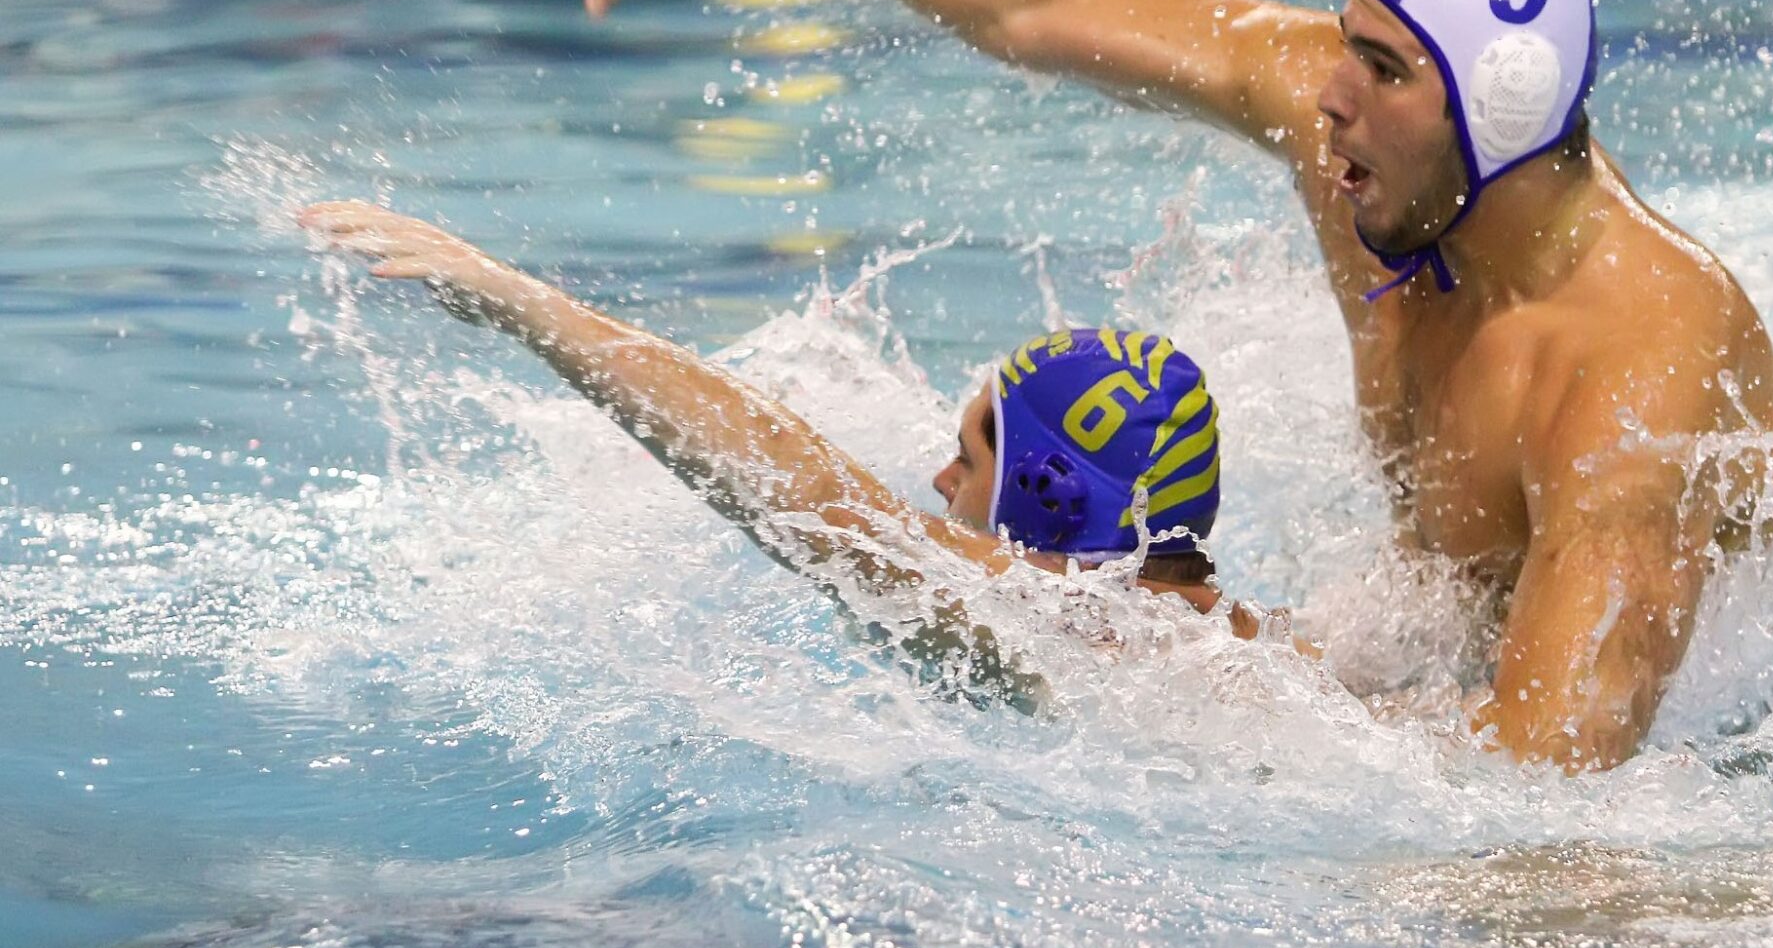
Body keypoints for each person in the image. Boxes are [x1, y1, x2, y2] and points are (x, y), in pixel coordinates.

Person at [461, 0, 1773, 772]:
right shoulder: (1380, 154)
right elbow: (1040, 3)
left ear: (1497, 113)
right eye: (1345, 46)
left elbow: (1550, 792)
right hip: (1433, 658)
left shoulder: (1631, 385)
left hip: (1706, 751)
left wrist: (1235, 719)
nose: (1327, 96)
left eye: (1381, 69)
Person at [296, 201, 1271, 704]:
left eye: (972, 459)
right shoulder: (1246, 642)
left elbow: (807, 493)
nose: (941, 482)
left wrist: (525, 306)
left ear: (1047, 495)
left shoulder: (1072, 634)